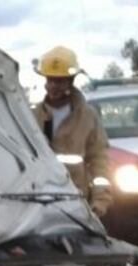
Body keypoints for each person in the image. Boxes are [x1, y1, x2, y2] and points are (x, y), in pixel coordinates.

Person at [32, 46, 112, 217]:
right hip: (37, 205)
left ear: (71, 81)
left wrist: (100, 201)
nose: (53, 86)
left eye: (59, 81)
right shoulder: (31, 116)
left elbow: (99, 160)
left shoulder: (87, 117)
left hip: (77, 203)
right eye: (50, 80)